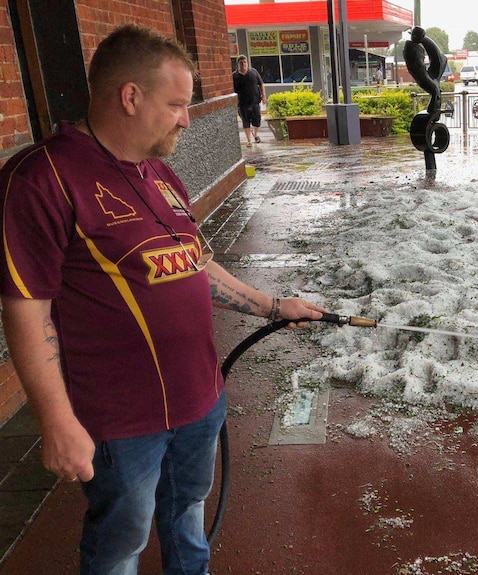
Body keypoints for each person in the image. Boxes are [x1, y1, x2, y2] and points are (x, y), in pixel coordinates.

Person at [0, 24, 325, 574]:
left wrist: (274, 307)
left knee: (188, 513)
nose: (185, 119)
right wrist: (57, 422)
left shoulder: (160, 173)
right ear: (131, 97)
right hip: (122, 420)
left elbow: (197, 262)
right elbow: (24, 309)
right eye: (176, 104)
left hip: (200, 397)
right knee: (120, 543)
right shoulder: (42, 178)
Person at [232, 54, 266, 146]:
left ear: (247, 63)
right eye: (241, 63)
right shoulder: (234, 76)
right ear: (238, 64)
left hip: (255, 101)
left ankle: (255, 134)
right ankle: (249, 141)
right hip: (242, 103)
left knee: (257, 120)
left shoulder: (253, 72)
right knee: (245, 121)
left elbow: (261, 84)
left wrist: (264, 96)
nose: (243, 64)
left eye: (245, 62)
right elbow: (231, 91)